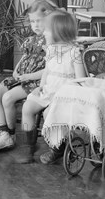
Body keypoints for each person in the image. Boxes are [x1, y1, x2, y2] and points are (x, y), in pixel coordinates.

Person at [16, 10, 86, 164]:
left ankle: (57, 148)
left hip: (63, 95)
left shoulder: (74, 53)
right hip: (48, 90)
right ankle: (29, 147)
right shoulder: (51, 50)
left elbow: (80, 80)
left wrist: (71, 95)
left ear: (58, 33)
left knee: (49, 114)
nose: (44, 33)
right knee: (27, 108)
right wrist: (40, 86)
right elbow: (47, 71)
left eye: (47, 30)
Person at [0, 0, 57, 150]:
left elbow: (50, 69)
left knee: (7, 98)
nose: (35, 25)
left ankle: (11, 134)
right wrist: (16, 70)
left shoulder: (51, 42)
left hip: (35, 82)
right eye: (32, 22)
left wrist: (29, 77)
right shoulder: (31, 40)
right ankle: (3, 133)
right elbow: (25, 58)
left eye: (39, 21)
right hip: (22, 78)